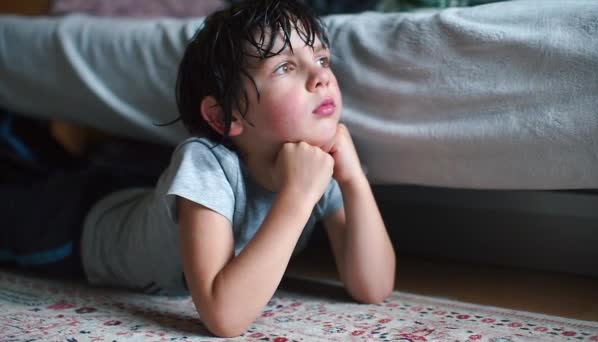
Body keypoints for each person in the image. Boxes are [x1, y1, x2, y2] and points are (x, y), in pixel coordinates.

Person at [0, 0, 395, 337]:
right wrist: (297, 197)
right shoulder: (206, 162)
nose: (321, 76)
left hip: (131, 193)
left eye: (322, 58)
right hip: (73, 230)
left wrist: (354, 178)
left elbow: (372, 287)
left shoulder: (316, 162)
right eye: (284, 67)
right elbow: (224, 316)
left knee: (45, 166)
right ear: (225, 115)